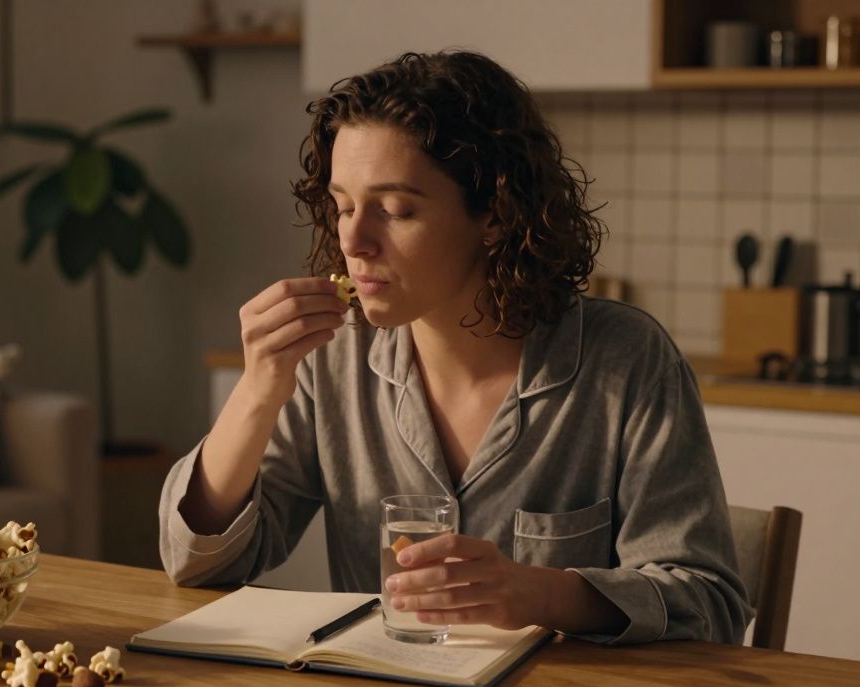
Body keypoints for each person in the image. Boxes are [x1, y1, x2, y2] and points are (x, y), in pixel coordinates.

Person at [158, 51, 751, 645]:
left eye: (394, 210)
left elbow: (710, 603)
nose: (355, 241)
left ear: (493, 214)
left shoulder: (627, 361)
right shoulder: (329, 359)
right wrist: (257, 390)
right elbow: (197, 563)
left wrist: (536, 592)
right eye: (342, 206)